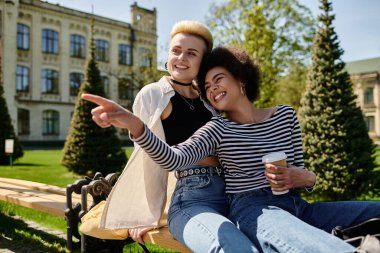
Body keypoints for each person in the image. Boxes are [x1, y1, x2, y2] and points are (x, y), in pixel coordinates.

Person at [82, 46, 380, 253]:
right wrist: (136, 125)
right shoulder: (217, 129)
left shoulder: (286, 115)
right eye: (206, 86)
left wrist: (306, 178)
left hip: (297, 207)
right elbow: (174, 158)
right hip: (255, 211)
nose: (211, 89)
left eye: (218, 79)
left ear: (240, 79)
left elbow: (303, 174)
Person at [96, 21, 257, 252]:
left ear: (204, 61)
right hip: (193, 189)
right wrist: (146, 213)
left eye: (191, 53)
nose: (181, 58)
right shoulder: (153, 94)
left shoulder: (208, 99)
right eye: (176, 50)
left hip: (232, 190)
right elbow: (145, 157)